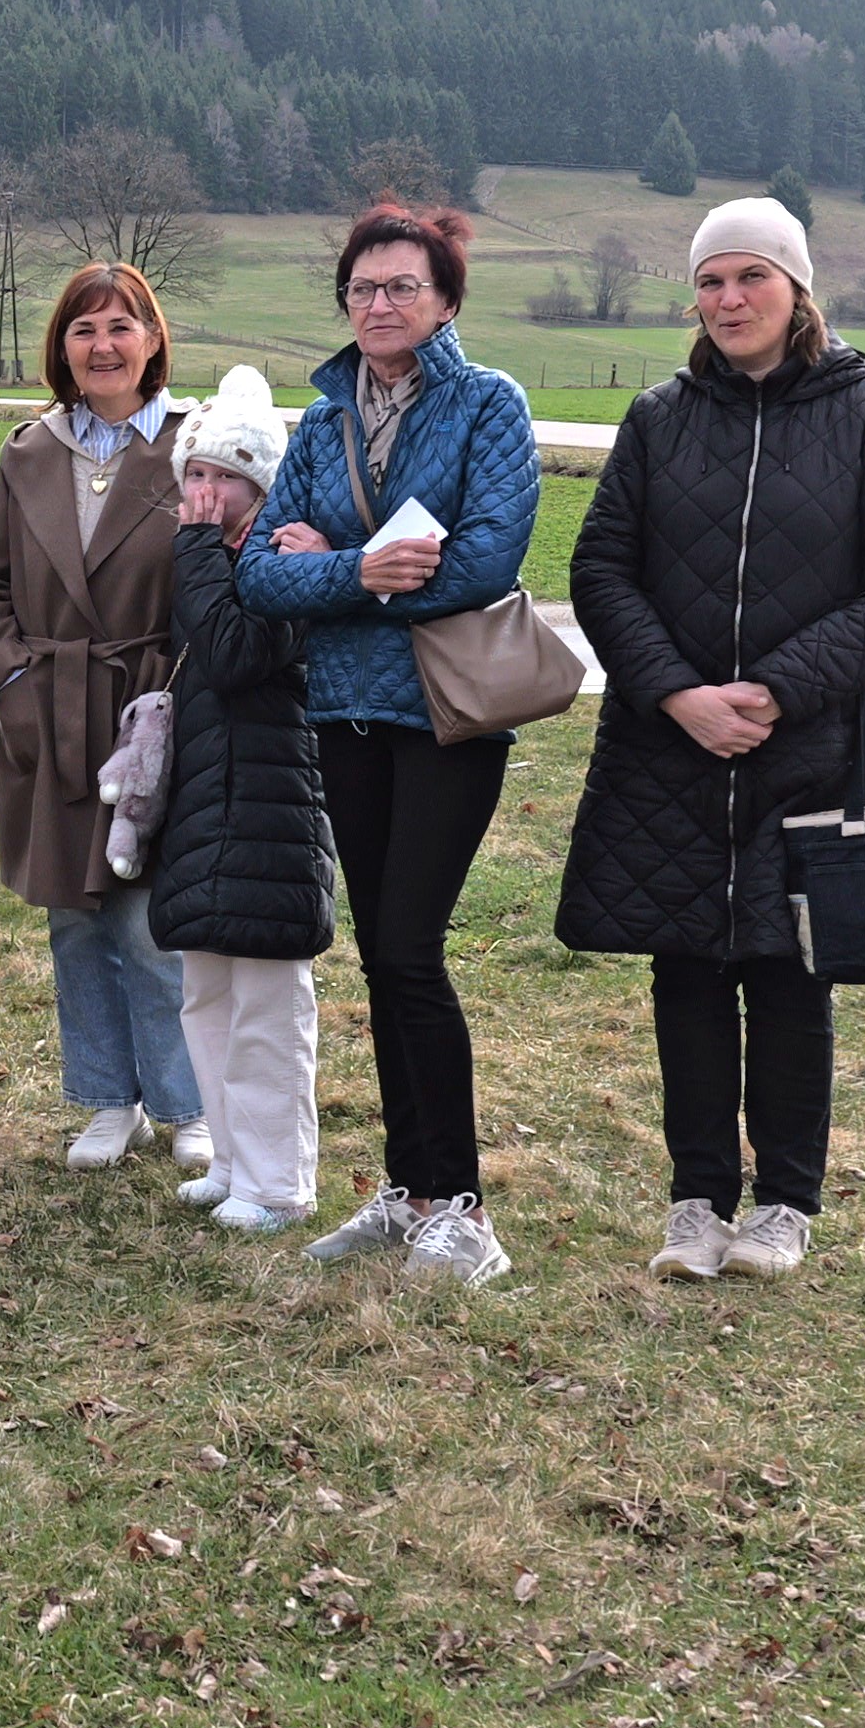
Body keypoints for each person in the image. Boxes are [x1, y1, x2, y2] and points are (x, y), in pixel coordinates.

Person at [557, 200, 865, 1284]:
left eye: (750, 279)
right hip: (669, 748)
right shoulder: (658, 419)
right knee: (685, 970)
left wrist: (774, 691)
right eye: (712, 282)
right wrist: (678, 694)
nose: (729, 300)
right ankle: (695, 1200)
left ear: (798, 291)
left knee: (787, 973)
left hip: (812, 746)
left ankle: (784, 1205)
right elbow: (601, 571)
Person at [237, 199, 546, 1289]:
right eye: (363, 287)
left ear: (446, 299)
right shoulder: (319, 425)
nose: (378, 302)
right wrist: (362, 569)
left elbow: (482, 562)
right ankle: (408, 1191)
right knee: (379, 954)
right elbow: (259, 574)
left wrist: (342, 558)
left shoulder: (489, 407)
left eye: (402, 285)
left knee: (412, 947)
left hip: (449, 715)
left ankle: (463, 1206)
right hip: (347, 715)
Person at [0, 261, 205, 1181]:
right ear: (61, 347)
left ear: (151, 340)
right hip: (52, 713)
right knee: (75, 915)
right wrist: (13, 681)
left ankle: (185, 1103)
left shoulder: (195, 444)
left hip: (157, 709)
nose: (102, 346)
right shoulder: (29, 451)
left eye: (120, 327)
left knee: (151, 920)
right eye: (82, 329)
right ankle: (109, 1097)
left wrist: (189, 700)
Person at [149, 368, 332, 1233]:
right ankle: (232, 1162)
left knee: (267, 1002)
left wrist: (191, 551)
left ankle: (281, 1182)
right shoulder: (212, 559)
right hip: (207, 796)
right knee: (206, 990)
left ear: (260, 487)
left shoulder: (286, 556)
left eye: (226, 478)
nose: (205, 494)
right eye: (195, 475)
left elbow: (228, 654)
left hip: (271, 799)